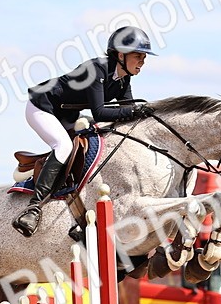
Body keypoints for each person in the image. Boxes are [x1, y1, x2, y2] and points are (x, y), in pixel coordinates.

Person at [13, 26, 158, 237]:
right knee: (63, 146)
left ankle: (80, 211)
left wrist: (144, 113)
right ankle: (33, 208)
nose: (142, 62)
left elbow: (125, 110)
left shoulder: (123, 78)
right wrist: (134, 110)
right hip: (42, 107)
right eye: (138, 56)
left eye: (144, 57)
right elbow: (100, 113)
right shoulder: (96, 70)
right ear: (120, 54)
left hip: (66, 115)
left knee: (98, 144)